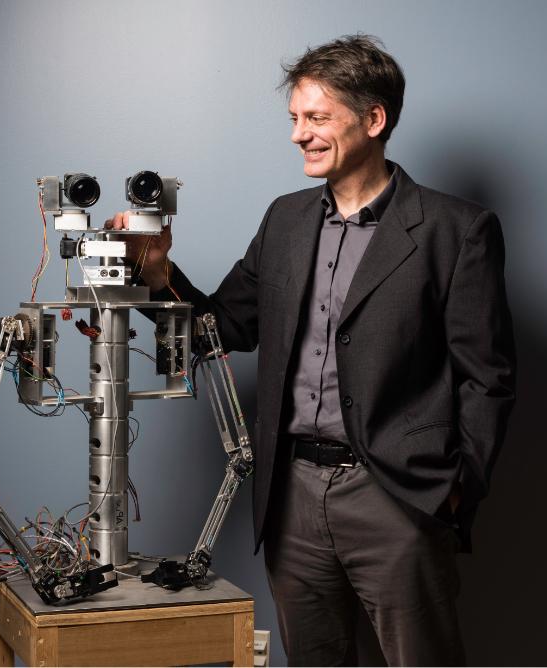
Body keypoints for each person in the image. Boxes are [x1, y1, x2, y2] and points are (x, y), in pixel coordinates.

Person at [108, 34, 516, 667]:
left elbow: (486, 378)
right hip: (291, 496)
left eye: (317, 118)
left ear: (374, 119)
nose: (300, 134)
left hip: (398, 498)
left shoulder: (456, 231)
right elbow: (226, 328)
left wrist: (456, 490)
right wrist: (160, 278)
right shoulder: (286, 219)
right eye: (295, 119)